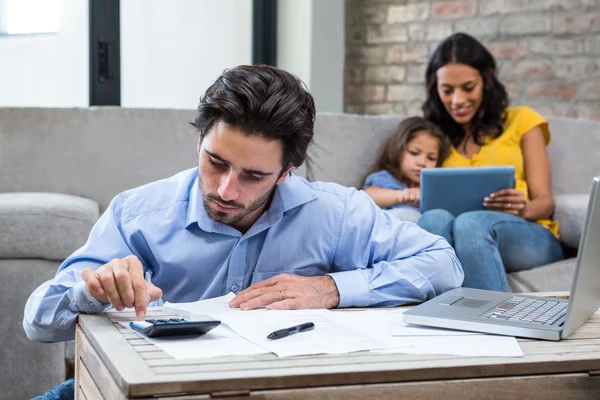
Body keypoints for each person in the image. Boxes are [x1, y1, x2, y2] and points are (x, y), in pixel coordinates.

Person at [24, 65, 463, 399]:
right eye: (216, 162)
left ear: (286, 172)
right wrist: (94, 292)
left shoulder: (337, 213)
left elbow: (445, 264)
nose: (226, 190)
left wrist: (331, 288)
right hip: (156, 388)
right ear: (199, 143)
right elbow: (38, 321)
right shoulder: (138, 214)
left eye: (254, 175)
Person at [417, 32, 564, 292]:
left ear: (487, 79)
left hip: (528, 234)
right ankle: (434, 321)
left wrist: (523, 209)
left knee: (471, 224)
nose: (457, 100)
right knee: (433, 220)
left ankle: (495, 326)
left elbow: (545, 202)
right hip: (458, 233)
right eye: (447, 90)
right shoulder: (433, 137)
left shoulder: (522, 120)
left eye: (468, 87)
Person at [363, 116, 450, 223]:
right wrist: (402, 195)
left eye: (431, 158)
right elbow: (367, 197)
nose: (422, 162)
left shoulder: (435, 186)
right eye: (414, 153)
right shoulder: (386, 178)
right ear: (398, 150)